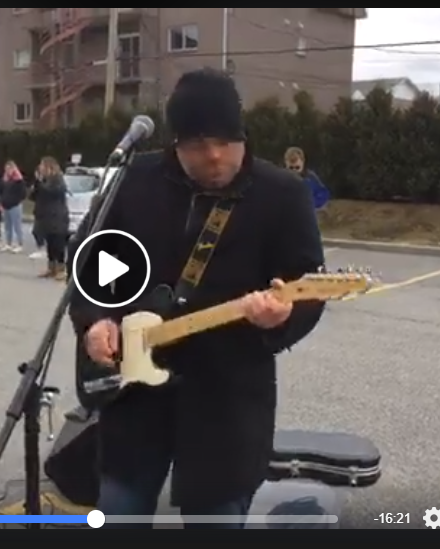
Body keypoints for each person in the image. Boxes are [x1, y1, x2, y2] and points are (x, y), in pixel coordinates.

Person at [67, 68, 326, 529]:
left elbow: (308, 283)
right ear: (175, 143)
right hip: (134, 403)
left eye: (225, 142)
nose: (213, 156)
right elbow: (91, 260)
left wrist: (282, 316)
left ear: (242, 135)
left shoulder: (280, 193)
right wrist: (97, 321)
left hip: (225, 401)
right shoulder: (134, 178)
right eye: (197, 144)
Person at [30, 156, 69, 280]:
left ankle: (62, 269)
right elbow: (32, 196)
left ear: (48, 167)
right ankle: (51, 268)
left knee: (58, 243)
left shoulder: (58, 179)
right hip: (45, 216)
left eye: (42, 166)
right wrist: (37, 183)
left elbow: (53, 192)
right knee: (50, 244)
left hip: (57, 216)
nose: (40, 168)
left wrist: (40, 183)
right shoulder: (43, 181)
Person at [0, 159, 26, 253]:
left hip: (15, 205)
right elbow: (2, 192)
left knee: (17, 226)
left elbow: (23, 193)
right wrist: (1, 202)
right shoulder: (4, 179)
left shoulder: (18, 180)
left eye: (10, 169)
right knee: (7, 226)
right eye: (6, 169)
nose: (8, 171)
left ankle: (20, 244)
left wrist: (16, 200)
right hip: (6, 205)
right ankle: (8, 243)